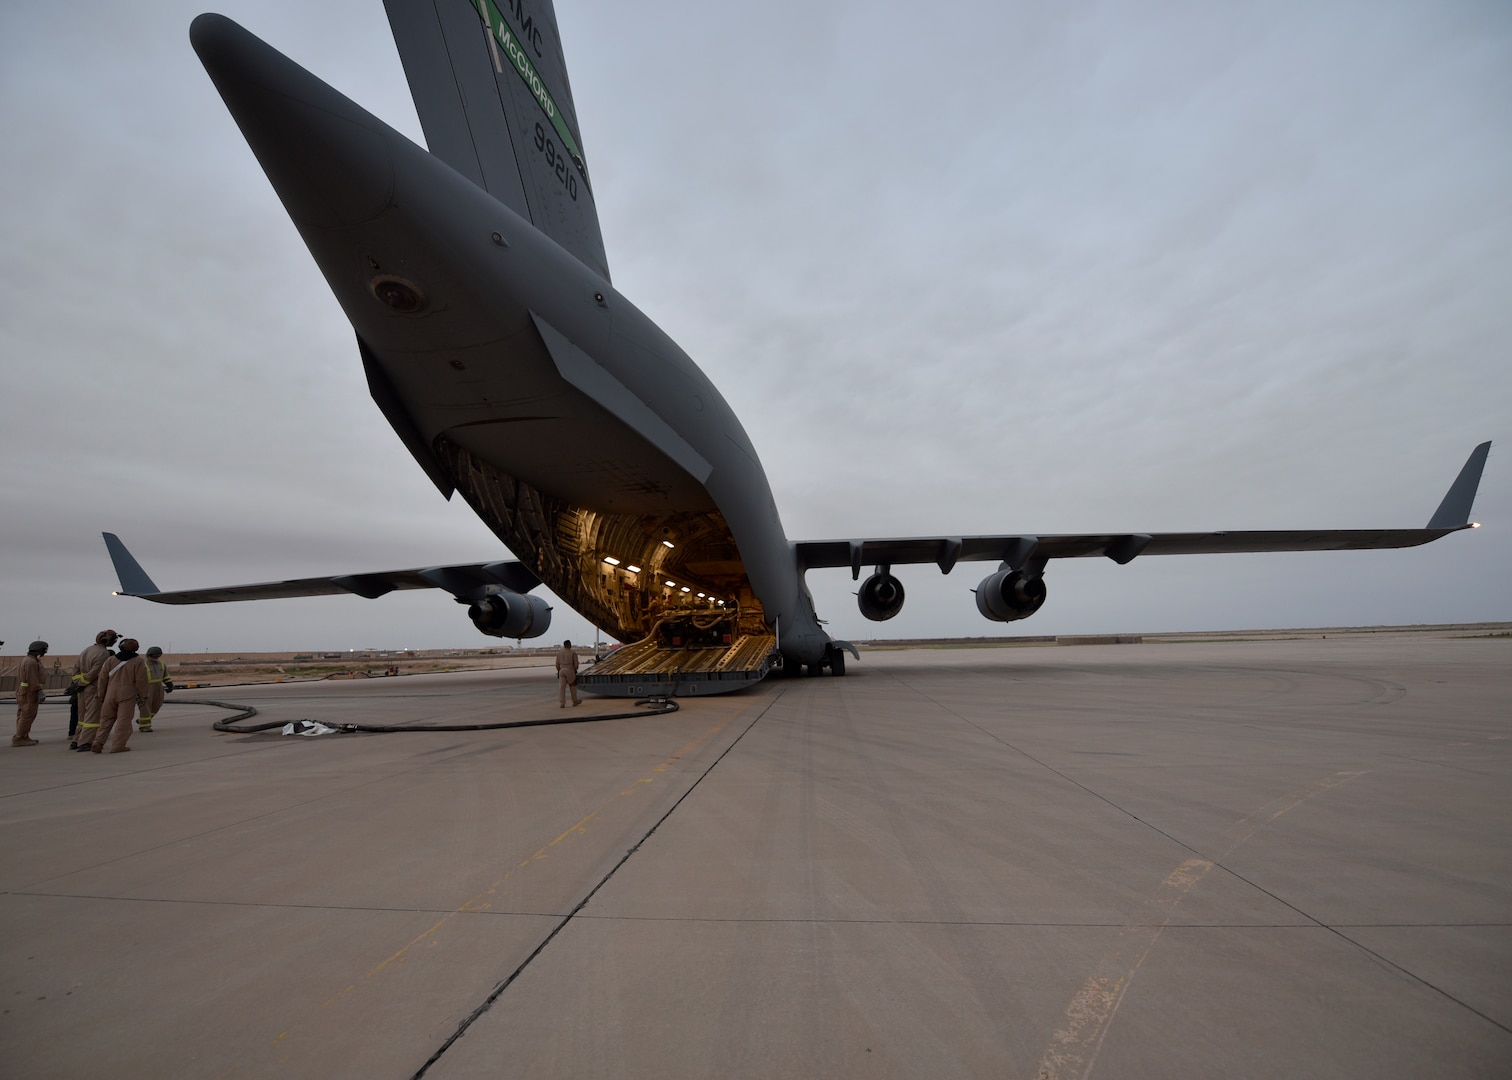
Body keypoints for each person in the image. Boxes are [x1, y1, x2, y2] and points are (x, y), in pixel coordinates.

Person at [90, 638, 149, 754]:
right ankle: (118, 745)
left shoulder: (110, 660)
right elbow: (141, 680)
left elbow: (102, 678)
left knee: (105, 720)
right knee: (123, 721)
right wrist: (143, 696)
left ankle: (98, 742)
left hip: (109, 695)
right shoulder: (138, 661)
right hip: (127, 695)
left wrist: (101, 694)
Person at [69, 630, 118, 750]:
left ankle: (76, 740)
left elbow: (76, 668)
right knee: (92, 717)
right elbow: (95, 671)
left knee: (82, 716)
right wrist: (84, 683)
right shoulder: (104, 653)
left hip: (82, 689)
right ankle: (85, 742)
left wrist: (78, 683)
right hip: (93, 688)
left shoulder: (87, 650)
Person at [13, 641, 48, 747]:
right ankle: (19, 738)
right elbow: (31, 678)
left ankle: (24, 736)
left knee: (26, 715)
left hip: (28, 690)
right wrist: (38, 691)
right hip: (29, 691)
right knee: (27, 715)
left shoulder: (31, 660)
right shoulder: (30, 662)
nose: (44, 652)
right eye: (44, 650)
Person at [139, 647, 172, 732]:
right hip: (146, 687)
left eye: (157, 657)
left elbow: (166, 676)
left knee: (157, 705)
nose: (155, 659)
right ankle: (144, 726)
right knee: (146, 707)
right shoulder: (142, 665)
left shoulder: (161, 664)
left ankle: (143, 720)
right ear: (148, 655)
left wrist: (170, 685)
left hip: (159, 687)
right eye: (154, 657)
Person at [555, 639, 581, 708]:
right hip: (569, 669)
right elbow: (576, 664)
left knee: (562, 687)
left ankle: (562, 703)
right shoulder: (572, 652)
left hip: (561, 670)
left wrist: (558, 671)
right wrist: (575, 669)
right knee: (572, 686)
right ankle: (575, 701)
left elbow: (557, 664)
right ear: (569, 645)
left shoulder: (559, 653)